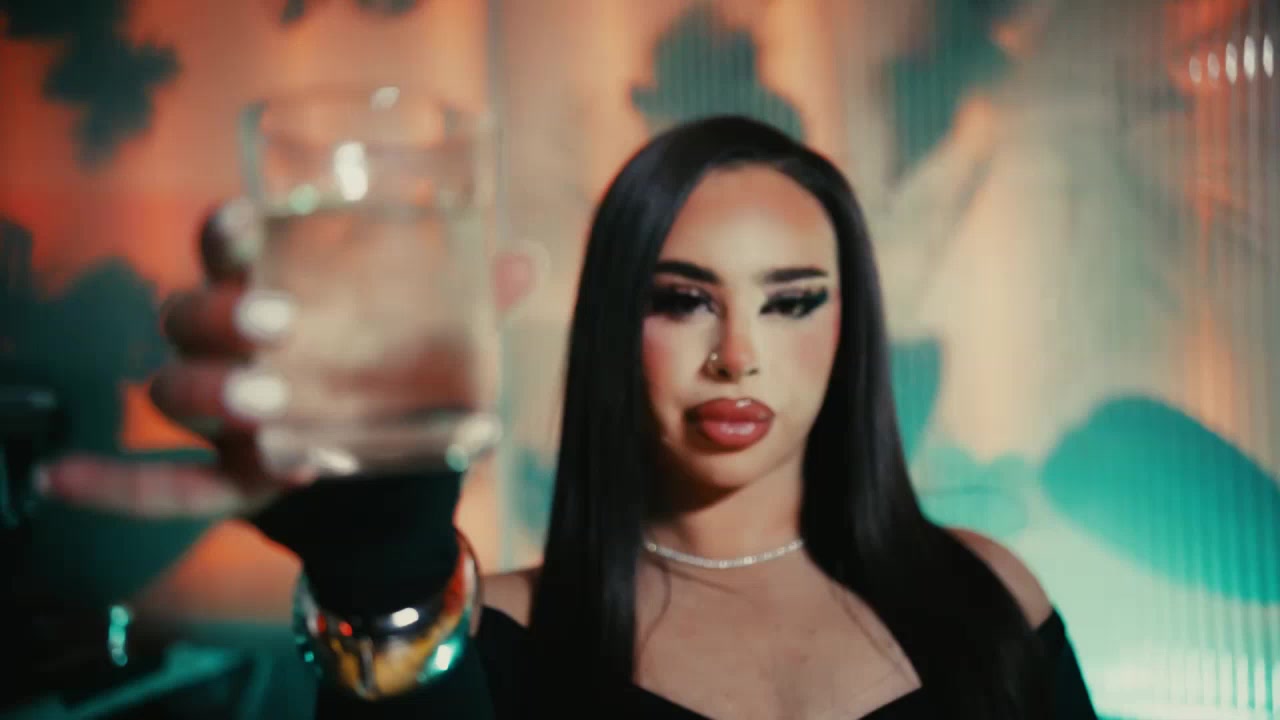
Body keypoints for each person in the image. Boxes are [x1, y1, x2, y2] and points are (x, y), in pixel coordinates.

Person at [42, 116, 1097, 719]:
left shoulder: (989, 597)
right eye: (682, 300)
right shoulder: (494, 639)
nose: (737, 354)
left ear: (849, 326)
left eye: (790, 302)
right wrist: (384, 574)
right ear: (610, 325)